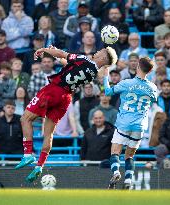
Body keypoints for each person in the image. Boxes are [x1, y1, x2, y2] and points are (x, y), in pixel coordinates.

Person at [15, 45, 118, 183]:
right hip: (66, 98)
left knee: (25, 119)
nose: (97, 51)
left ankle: (27, 154)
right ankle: (40, 165)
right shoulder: (93, 72)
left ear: (103, 57)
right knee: (49, 133)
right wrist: (56, 54)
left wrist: (45, 50)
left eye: (101, 51)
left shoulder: (84, 59)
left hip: (54, 90)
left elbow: (63, 54)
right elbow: (68, 65)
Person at [103, 57, 157, 189]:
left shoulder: (127, 83)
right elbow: (154, 100)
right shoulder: (153, 88)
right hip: (140, 126)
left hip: (124, 123)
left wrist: (105, 76)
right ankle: (128, 180)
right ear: (149, 71)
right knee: (130, 156)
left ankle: (116, 172)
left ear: (138, 67)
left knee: (115, 152)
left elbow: (108, 92)